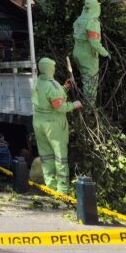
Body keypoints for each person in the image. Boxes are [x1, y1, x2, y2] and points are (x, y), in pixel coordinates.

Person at [31, 57, 82, 195]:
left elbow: (49, 97)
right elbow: (58, 106)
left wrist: (64, 89)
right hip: (53, 125)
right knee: (60, 156)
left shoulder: (38, 82)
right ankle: (63, 189)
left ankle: (51, 186)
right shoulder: (52, 84)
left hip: (38, 123)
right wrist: (74, 105)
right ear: (49, 68)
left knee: (46, 155)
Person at [72, 0, 109, 104]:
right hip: (87, 54)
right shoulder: (92, 22)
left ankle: (85, 104)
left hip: (77, 52)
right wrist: (105, 53)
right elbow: (94, 42)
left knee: (85, 80)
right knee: (91, 82)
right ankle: (89, 108)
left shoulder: (79, 19)